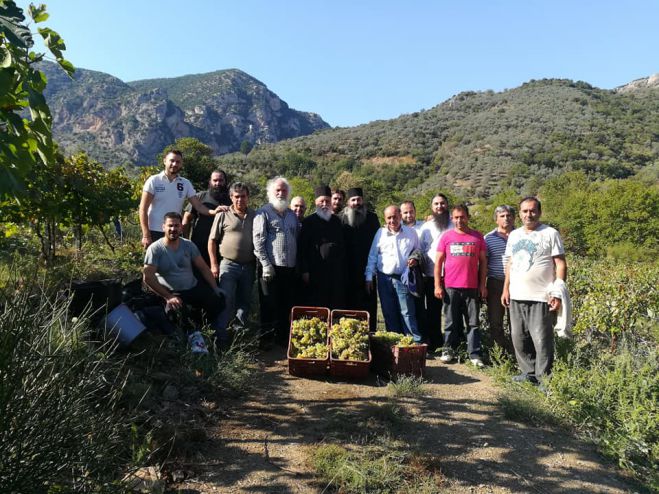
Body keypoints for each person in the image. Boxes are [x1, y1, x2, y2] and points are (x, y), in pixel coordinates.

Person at [502, 197, 567, 383]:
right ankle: (528, 373)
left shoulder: (550, 233)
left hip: (541, 296)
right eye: (524, 211)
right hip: (516, 295)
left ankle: (544, 379)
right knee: (519, 338)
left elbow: (560, 263)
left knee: (541, 340)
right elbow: (510, 263)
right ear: (519, 213)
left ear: (539, 212)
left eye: (532, 211)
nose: (528, 214)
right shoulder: (514, 235)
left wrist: (557, 291)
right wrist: (506, 288)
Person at [143, 212, 226, 353]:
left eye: (176, 226)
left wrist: (215, 287)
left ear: (181, 228)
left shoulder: (188, 245)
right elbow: (148, 277)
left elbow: (204, 268)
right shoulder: (155, 249)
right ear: (163, 227)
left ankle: (211, 333)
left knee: (218, 299)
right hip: (172, 292)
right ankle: (192, 340)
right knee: (176, 311)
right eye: (170, 226)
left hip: (192, 288)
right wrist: (168, 297)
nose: (173, 229)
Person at [434, 204, 487, 367]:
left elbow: (484, 263)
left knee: (473, 323)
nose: (459, 220)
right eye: (456, 217)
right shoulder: (446, 237)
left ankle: (474, 354)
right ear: (452, 219)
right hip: (451, 287)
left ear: (468, 217)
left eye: (462, 217)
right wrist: (437, 285)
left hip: (471, 287)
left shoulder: (477, 237)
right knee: (450, 322)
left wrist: (482, 285)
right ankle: (448, 350)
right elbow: (438, 262)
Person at [253, 177, 300, 344]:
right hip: (270, 266)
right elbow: (258, 241)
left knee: (285, 304)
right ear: (270, 193)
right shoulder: (263, 212)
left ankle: (282, 339)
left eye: (284, 190)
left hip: (288, 266)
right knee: (268, 303)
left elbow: (297, 237)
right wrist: (266, 265)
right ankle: (265, 340)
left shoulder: (291, 215)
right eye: (277, 190)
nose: (281, 193)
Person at [139, 149, 218, 248]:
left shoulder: (185, 183)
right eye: (172, 161)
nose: (175, 164)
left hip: (175, 232)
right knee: (154, 263)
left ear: (181, 164)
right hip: (154, 232)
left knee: (174, 263)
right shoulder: (153, 181)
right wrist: (146, 235)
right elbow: (143, 209)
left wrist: (214, 212)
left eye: (178, 162)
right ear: (164, 161)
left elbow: (198, 206)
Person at [366, 205, 422, 342]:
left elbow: (418, 250)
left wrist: (415, 258)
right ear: (385, 219)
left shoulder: (411, 233)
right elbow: (373, 256)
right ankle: (394, 342)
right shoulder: (380, 233)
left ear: (400, 216)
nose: (392, 220)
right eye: (389, 218)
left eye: (395, 217)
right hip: (384, 278)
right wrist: (368, 277)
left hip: (402, 277)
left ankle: (414, 343)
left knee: (407, 312)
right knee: (389, 312)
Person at [208, 182, 256, 336]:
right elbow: (212, 240)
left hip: (249, 266)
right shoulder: (223, 214)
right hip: (228, 265)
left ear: (248, 197)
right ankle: (221, 335)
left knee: (244, 302)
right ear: (231, 197)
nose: (240, 200)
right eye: (236, 197)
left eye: (243, 196)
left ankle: (239, 335)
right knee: (226, 300)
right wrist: (214, 264)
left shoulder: (255, 215)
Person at [298, 185, 347, 309]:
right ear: (316, 203)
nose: (325, 204)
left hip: (334, 273)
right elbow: (302, 249)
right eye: (322, 201)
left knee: (334, 304)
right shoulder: (308, 222)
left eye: (327, 201)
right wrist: (304, 271)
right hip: (314, 272)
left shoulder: (337, 222)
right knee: (316, 306)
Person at [339, 187, 381, 331]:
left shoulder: (372, 218)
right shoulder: (340, 219)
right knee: (348, 305)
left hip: (367, 270)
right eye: (353, 200)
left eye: (359, 199)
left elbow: (377, 245)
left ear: (362, 200)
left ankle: (370, 336)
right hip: (347, 270)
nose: (356, 202)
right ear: (348, 202)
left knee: (367, 305)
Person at [417, 194, 453, 352]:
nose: (440, 206)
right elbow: (420, 249)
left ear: (447, 205)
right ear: (432, 207)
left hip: (452, 275)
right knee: (432, 310)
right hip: (431, 275)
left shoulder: (455, 224)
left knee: (451, 311)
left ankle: (453, 342)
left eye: (442, 203)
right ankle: (434, 341)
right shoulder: (426, 227)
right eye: (436, 204)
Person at [484, 205, 516, 354]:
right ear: (496, 219)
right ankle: (500, 353)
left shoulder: (521, 235)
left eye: (509, 215)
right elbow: (484, 263)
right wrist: (482, 285)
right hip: (496, 283)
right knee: (495, 320)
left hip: (518, 284)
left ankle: (516, 352)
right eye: (502, 216)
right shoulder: (488, 238)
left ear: (514, 217)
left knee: (516, 321)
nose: (506, 218)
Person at [183, 169, 231, 266]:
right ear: (210, 182)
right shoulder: (200, 197)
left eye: (221, 180)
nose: (218, 183)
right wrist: (186, 242)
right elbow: (186, 219)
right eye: (215, 180)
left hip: (223, 250)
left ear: (226, 182)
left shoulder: (232, 199)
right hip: (199, 248)